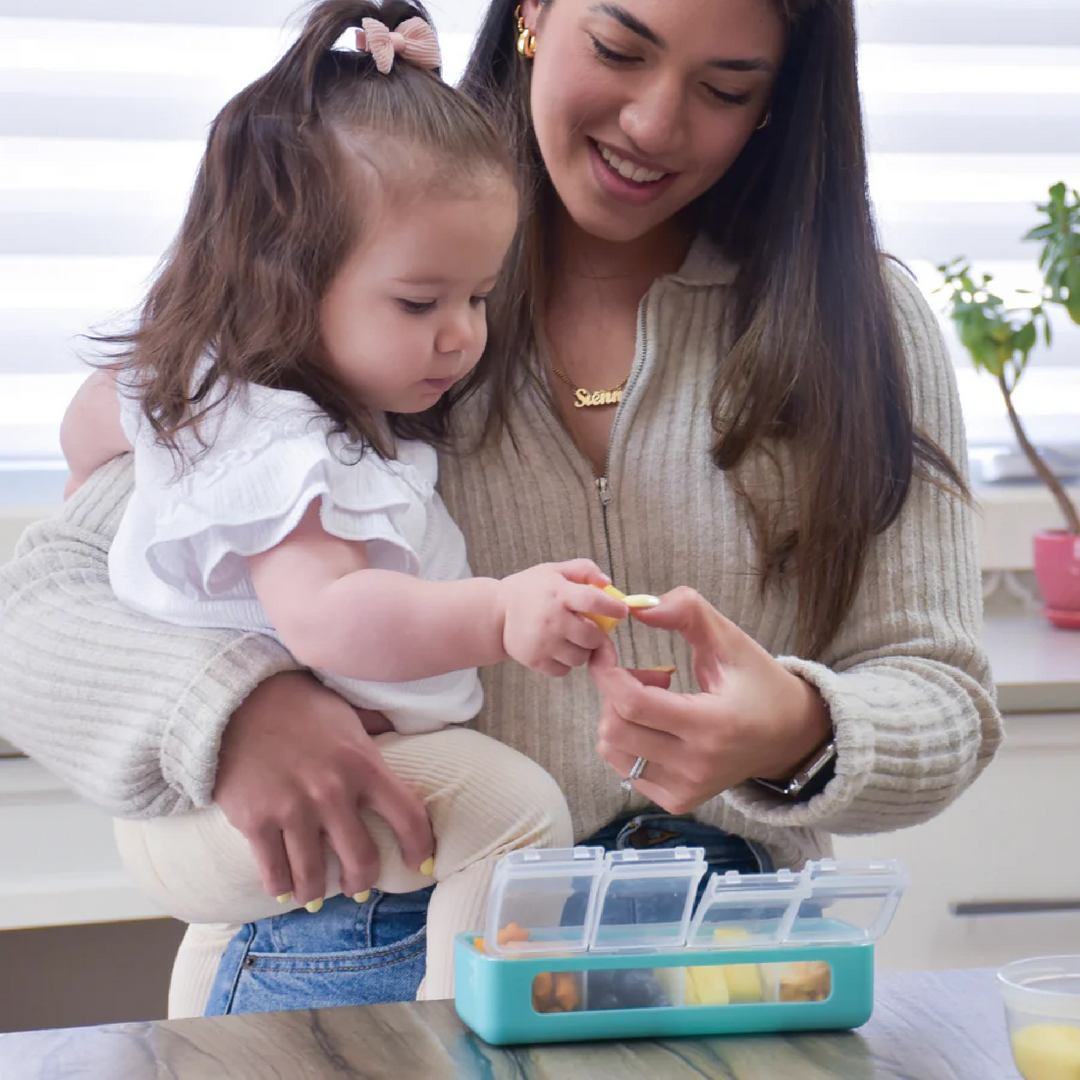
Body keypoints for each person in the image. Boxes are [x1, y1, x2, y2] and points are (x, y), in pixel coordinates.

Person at [0, 0, 1002, 1019]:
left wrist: (795, 730)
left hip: (722, 960)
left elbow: (946, 694)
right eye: (619, 49)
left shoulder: (855, 323)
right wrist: (230, 704)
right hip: (354, 946)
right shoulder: (352, 259)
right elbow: (39, 606)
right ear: (531, 12)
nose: (656, 125)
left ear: (778, 102)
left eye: (725, 89)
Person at [57, 0, 635, 1004]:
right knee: (517, 809)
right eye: (421, 302)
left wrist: (127, 453)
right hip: (231, 807)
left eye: (479, 298)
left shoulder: (236, 406)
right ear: (284, 279)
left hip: (210, 827)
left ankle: (206, 1023)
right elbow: (332, 618)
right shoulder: (285, 448)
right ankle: (460, 1029)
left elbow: (93, 411)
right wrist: (501, 613)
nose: (461, 336)